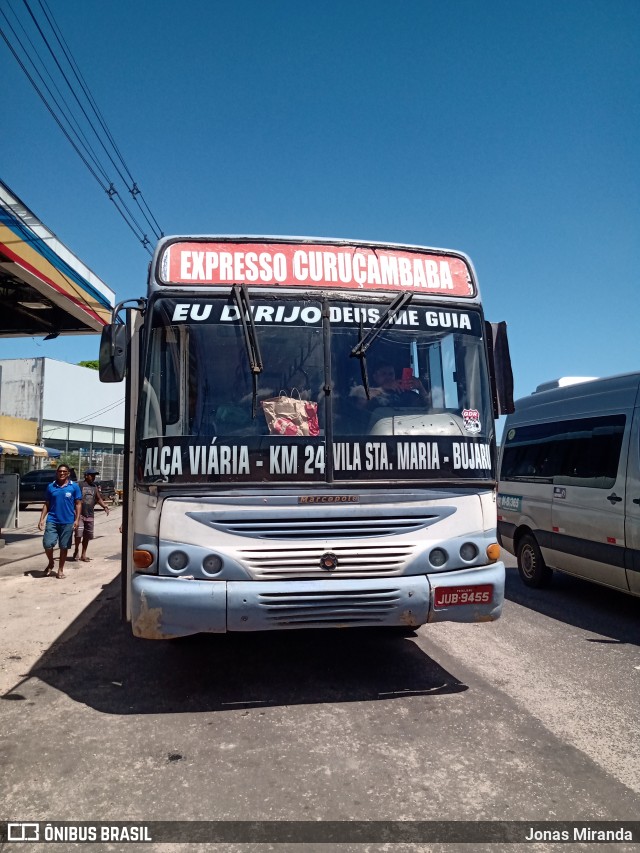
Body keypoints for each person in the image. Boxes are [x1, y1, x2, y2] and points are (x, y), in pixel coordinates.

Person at [38, 464, 82, 579]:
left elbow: (78, 504)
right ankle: (51, 562)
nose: (62, 473)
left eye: (64, 471)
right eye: (60, 471)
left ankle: (60, 569)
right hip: (52, 520)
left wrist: (77, 520)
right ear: (57, 473)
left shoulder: (74, 487)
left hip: (67, 522)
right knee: (47, 544)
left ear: (68, 473)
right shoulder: (51, 486)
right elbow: (47, 504)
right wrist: (41, 519)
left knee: (64, 546)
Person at [350, 361, 430, 410]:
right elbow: (359, 407)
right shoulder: (363, 391)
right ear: (374, 376)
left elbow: (429, 408)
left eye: (391, 374)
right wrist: (382, 388)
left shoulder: (406, 394)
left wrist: (420, 387)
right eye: (384, 374)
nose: (388, 377)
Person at [71, 468, 110, 562]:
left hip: (90, 514)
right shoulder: (79, 485)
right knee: (78, 534)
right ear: (86, 475)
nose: (93, 477)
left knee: (87, 535)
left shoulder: (94, 487)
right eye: (91, 475)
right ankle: (76, 549)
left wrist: (104, 506)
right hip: (79, 514)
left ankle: (83, 554)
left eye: (94, 476)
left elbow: (98, 498)